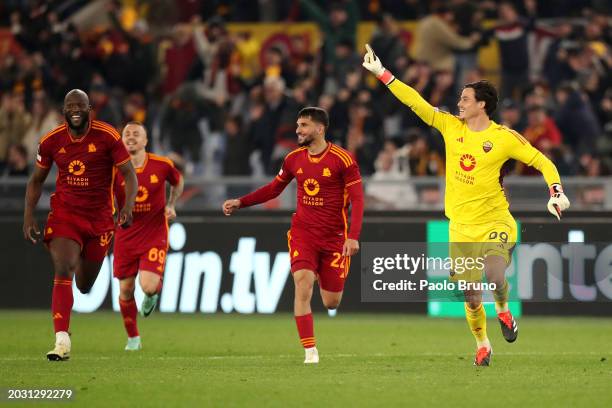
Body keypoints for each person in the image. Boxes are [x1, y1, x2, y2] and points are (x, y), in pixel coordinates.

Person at [362, 44, 570, 366]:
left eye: (465, 99)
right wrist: (382, 73)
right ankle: (483, 344)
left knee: (495, 277)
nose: (458, 103)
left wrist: (556, 192)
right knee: (471, 297)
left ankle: (502, 309)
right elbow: (417, 103)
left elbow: (542, 161)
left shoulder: (504, 137)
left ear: (482, 105)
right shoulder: (450, 127)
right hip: (461, 228)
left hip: (495, 221)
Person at [223, 107, 364, 364]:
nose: (298, 130)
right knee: (302, 283)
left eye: (303, 125)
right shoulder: (293, 159)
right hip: (303, 233)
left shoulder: (343, 160)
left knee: (331, 302)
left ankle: (322, 270)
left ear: (320, 129)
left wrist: (352, 236)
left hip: (334, 237)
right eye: (298, 125)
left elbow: (358, 199)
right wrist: (241, 202)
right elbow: (273, 189)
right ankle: (310, 351)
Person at [23, 89, 138, 361]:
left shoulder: (108, 136)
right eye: (70, 105)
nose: (75, 109)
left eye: (80, 105)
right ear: (63, 111)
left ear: (89, 109)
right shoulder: (51, 141)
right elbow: (36, 180)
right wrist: (28, 214)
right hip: (66, 214)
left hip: (99, 219)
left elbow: (129, 174)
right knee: (64, 266)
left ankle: (66, 327)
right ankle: (61, 340)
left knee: (85, 285)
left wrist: (127, 206)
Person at [112, 122, 183, 351]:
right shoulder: (113, 169)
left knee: (148, 286)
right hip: (125, 234)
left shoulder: (161, 165)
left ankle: (152, 295)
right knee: (125, 290)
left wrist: (171, 204)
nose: (131, 137)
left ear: (145, 141)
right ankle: (133, 338)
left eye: (136, 134)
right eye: (127, 134)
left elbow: (178, 180)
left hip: (154, 232)